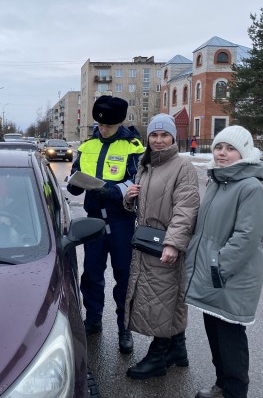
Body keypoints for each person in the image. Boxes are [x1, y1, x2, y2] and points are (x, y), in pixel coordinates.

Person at [184, 125, 263, 398]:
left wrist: (217, 268)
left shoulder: (250, 187)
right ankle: (222, 386)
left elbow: (247, 237)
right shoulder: (218, 181)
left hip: (230, 277)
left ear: (244, 153)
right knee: (215, 332)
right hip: (213, 274)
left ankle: (235, 392)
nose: (222, 153)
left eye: (230, 149)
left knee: (230, 336)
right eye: (219, 147)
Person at [123, 113, 200, 380]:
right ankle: (178, 350)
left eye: (164, 135)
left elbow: (186, 208)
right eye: (154, 135)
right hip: (147, 244)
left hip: (165, 246)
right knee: (165, 299)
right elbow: (146, 205)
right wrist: (130, 198)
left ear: (173, 137)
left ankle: (158, 356)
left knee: (163, 301)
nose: (158, 140)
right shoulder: (146, 166)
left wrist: (173, 244)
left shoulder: (182, 167)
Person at [66, 95, 145, 354]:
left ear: (119, 122)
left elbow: (137, 182)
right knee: (92, 274)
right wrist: (74, 184)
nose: (103, 129)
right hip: (93, 220)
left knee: (123, 276)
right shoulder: (88, 145)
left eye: (108, 126)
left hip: (120, 220)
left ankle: (124, 328)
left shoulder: (132, 146)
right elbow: (75, 177)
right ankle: (94, 320)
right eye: (100, 125)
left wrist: (112, 192)